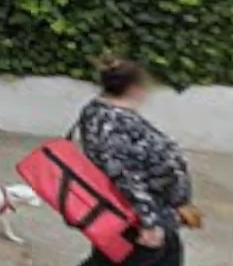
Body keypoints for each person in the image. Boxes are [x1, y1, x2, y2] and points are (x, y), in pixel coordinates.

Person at [77, 59, 202, 266]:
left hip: (149, 211)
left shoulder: (103, 112)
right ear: (134, 88)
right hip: (137, 216)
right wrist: (148, 222)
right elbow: (124, 174)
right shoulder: (114, 122)